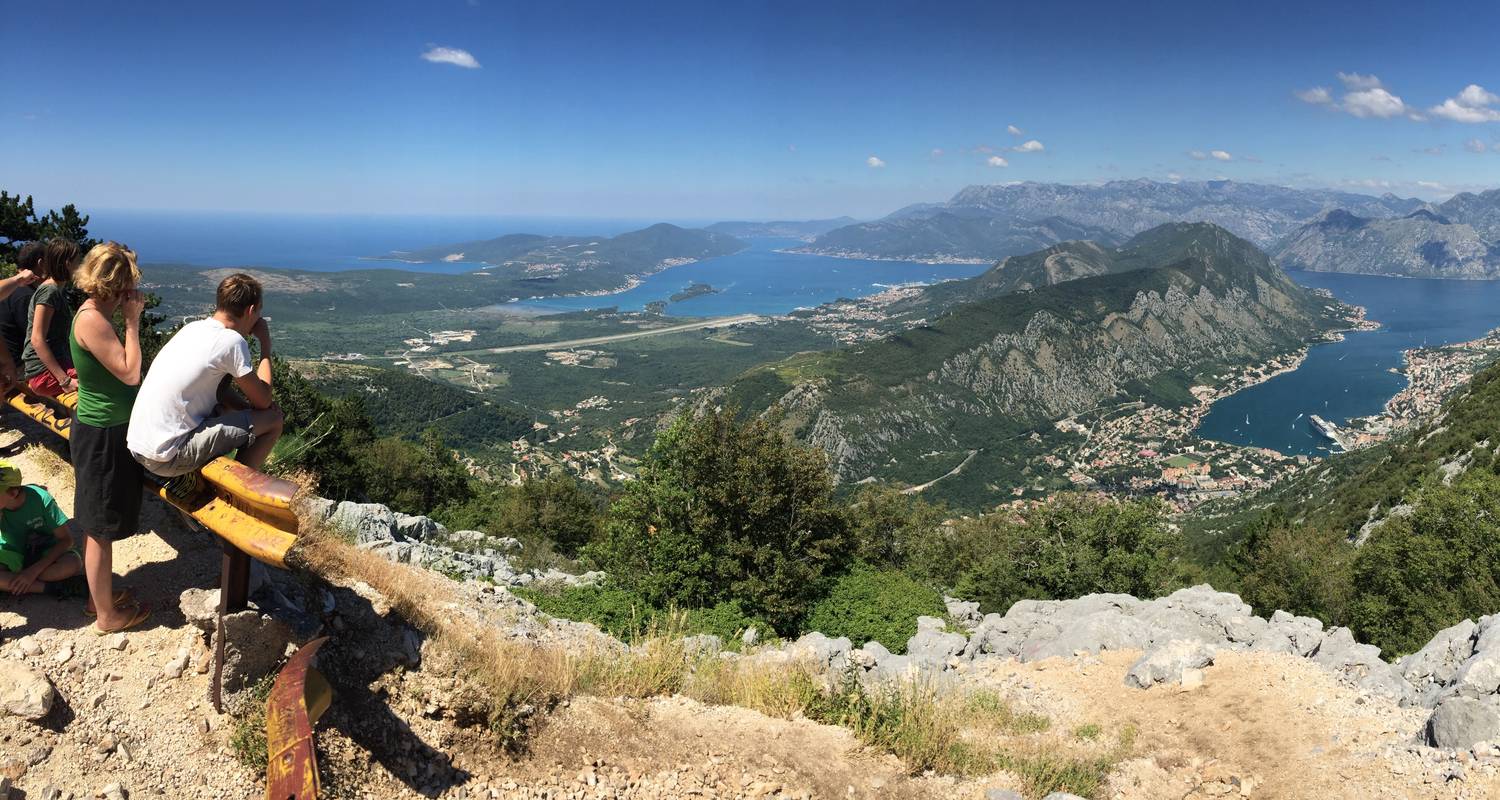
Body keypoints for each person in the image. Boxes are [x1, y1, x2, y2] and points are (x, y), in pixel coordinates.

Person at [128, 273, 283, 481]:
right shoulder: (231, 341)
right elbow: (264, 401)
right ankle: (235, 489)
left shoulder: (191, 328)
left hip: (139, 446)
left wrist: (247, 410)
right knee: (273, 420)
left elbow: (219, 391)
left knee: (226, 403)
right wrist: (265, 346)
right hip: (166, 458)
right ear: (251, 310)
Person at [70, 242, 152, 633]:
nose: (131, 294)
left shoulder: (94, 314)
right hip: (102, 434)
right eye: (127, 287)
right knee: (100, 529)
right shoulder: (93, 321)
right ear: (115, 286)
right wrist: (133, 322)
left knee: (97, 524)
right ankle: (106, 616)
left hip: (103, 428)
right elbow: (130, 372)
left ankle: (96, 598)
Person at [0, 459, 89, 601]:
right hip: (14, 553)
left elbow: (66, 540)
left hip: (47, 552)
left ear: (13, 493)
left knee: (72, 563)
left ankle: (12, 582)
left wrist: (33, 571)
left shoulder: (41, 499)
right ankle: (52, 588)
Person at [21, 238, 82, 398]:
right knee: (101, 382)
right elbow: (37, 339)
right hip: (43, 374)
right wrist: (65, 380)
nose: (80, 266)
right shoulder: (49, 292)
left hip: (47, 371)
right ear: (68, 264)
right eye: (78, 262)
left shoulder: (54, 290)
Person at [0, 242, 44, 388]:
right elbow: (38, 340)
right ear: (41, 263)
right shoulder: (26, 296)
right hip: (17, 369)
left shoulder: (10, 289)